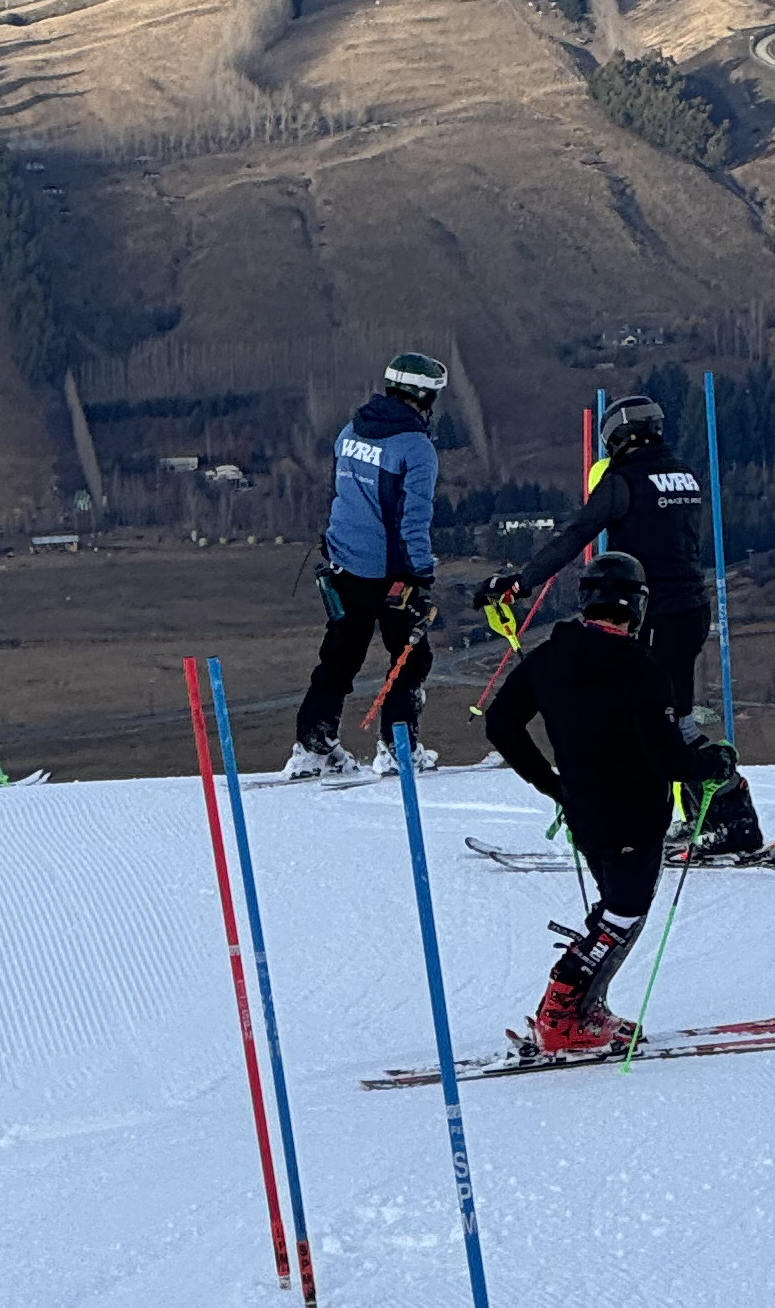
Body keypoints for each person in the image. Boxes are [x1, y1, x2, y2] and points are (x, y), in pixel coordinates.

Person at [490, 393, 766, 859]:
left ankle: (730, 817)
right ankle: (712, 818)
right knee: (670, 715)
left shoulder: (624, 481)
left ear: (616, 436)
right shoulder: (683, 475)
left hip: (652, 613)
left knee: (661, 723)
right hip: (691, 610)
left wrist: (522, 581)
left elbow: (578, 533)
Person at [483, 555, 690, 1057]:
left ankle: (582, 1009)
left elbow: (500, 723)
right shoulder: (644, 669)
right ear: (637, 606)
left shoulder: (550, 656)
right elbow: (663, 757)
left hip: (586, 810)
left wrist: (551, 784)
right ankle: (560, 1016)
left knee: (614, 908)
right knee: (622, 913)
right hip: (635, 813)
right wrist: (709, 765)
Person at [285, 351, 447, 777]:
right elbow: (414, 519)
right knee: (410, 660)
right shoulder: (416, 448)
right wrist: (421, 574)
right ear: (424, 395)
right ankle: (398, 750)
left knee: (339, 657)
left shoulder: (350, 431)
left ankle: (313, 747)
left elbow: (343, 495)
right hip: (391, 573)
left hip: (343, 564)